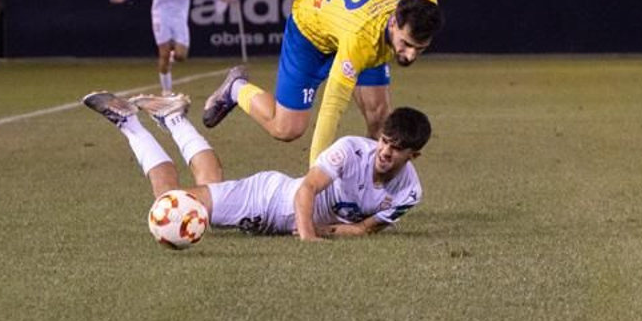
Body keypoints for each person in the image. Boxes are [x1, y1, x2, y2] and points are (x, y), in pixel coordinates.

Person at [200, 0, 442, 165]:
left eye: (420, 48)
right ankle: (236, 89)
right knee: (288, 128)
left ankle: (367, 188)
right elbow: (332, 109)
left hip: (349, 18)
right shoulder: (360, 39)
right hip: (310, 28)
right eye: (406, 45)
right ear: (394, 22)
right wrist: (316, 179)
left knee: (380, 118)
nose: (410, 54)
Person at [83, 92, 427, 242]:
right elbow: (308, 189)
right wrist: (309, 235)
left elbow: (366, 229)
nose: (385, 152)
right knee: (171, 205)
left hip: (276, 218)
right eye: (384, 141)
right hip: (271, 200)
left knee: (209, 186)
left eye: (396, 150)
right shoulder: (353, 149)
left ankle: (174, 117)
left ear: (413, 155)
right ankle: (130, 123)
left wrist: (326, 231)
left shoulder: (410, 193)